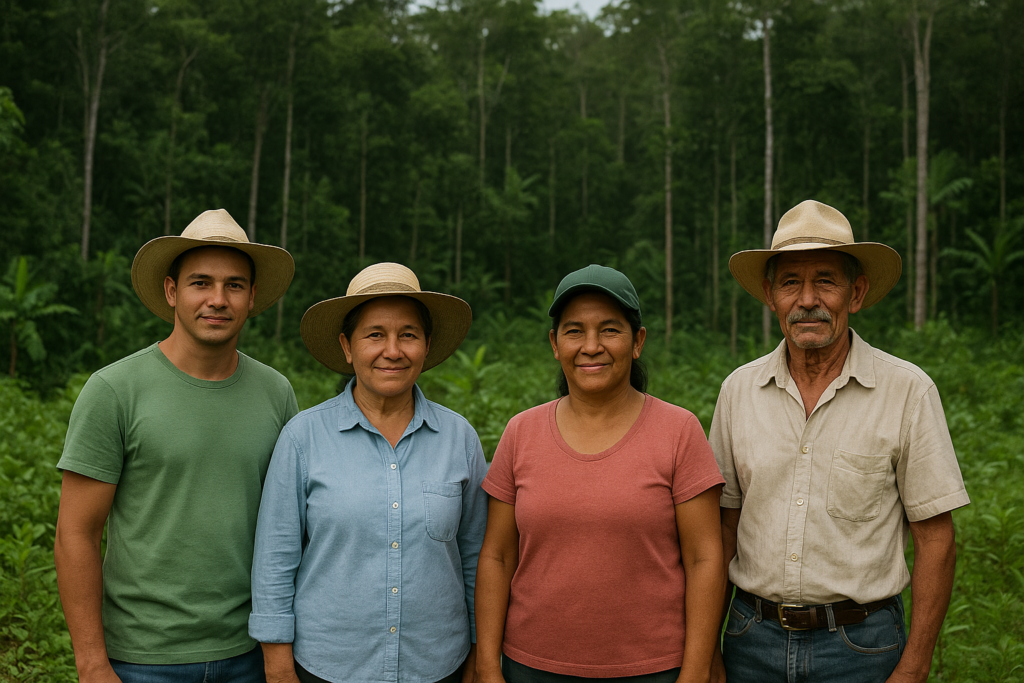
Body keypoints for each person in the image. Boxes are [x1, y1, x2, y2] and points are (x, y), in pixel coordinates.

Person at [709, 200, 970, 683]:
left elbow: (936, 540)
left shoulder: (907, 391)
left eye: (825, 280)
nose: (807, 299)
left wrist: (913, 667)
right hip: (751, 640)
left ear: (856, 292)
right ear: (770, 295)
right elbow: (724, 528)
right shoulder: (737, 391)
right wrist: (708, 651)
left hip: (862, 648)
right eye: (790, 282)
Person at [54, 209, 299, 683]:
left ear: (252, 298)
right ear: (172, 292)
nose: (217, 299)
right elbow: (76, 534)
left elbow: (289, 528)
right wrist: (91, 663)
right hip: (140, 658)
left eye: (234, 285)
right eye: (200, 283)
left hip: (250, 650)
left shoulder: (276, 393)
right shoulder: (115, 390)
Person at [475, 265, 725, 683]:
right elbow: (497, 557)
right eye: (574, 331)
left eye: (610, 330)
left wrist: (696, 670)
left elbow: (705, 559)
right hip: (532, 666)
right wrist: (487, 663)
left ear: (638, 341)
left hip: (653, 669)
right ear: (555, 344)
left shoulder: (678, 431)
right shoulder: (522, 432)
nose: (591, 346)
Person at [249, 262, 488, 683]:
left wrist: (477, 655)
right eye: (375, 334)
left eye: (408, 335)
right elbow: (275, 561)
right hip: (328, 666)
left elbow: (475, 560)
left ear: (427, 346)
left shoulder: (459, 438)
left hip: (437, 665)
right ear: (347, 346)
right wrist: (278, 666)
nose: (392, 350)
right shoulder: (304, 437)